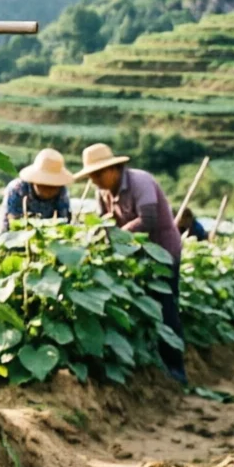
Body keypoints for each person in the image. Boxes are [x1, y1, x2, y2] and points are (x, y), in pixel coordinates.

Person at [75, 143, 187, 384]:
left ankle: (176, 371)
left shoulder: (140, 182)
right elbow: (104, 224)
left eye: (96, 174)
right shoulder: (102, 192)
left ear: (113, 169)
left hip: (163, 253)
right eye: (91, 176)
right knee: (138, 307)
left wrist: (117, 235)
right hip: (134, 256)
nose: (93, 180)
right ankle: (147, 366)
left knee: (165, 309)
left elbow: (148, 219)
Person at [0, 149, 75, 230]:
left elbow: (63, 222)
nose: (49, 190)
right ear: (35, 181)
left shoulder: (62, 191)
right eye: (44, 184)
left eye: (53, 186)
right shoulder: (17, 189)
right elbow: (12, 223)